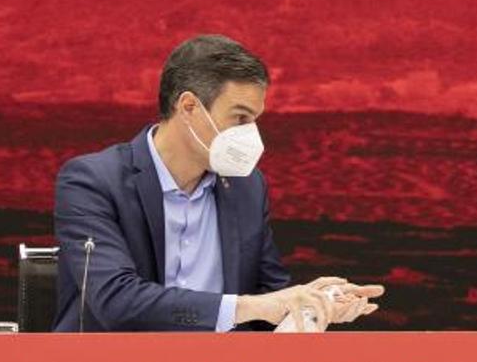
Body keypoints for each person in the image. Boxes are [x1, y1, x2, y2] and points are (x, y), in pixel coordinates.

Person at [53, 34, 383, 332]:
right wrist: (248, 307)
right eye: (240, 117)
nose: (250, 134)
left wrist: (314, 306)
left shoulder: (247, 187)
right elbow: (116, 300)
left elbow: (270, 298)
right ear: (189, 107)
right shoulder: (92, 181)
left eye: (254, 120)